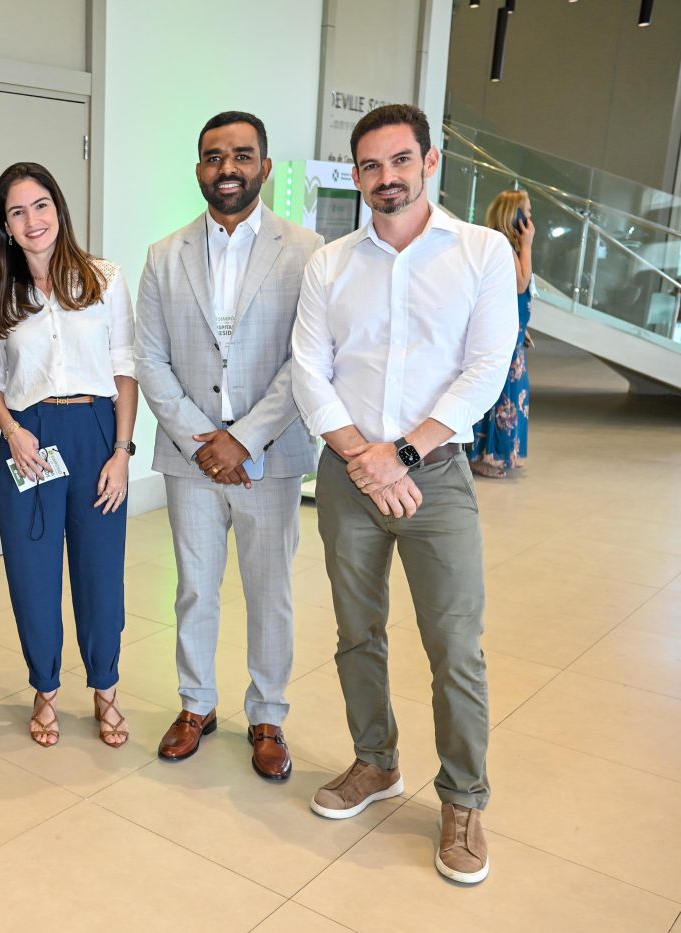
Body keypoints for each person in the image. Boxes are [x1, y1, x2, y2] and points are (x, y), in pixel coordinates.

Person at [290, 104, 517, 884]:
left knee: (455, 645)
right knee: (358, 633)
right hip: (350, 474)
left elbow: (486, 367)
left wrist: (405, 452)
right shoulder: (330, 263)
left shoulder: (481, 252)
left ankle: (463, 798)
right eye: (370, 166)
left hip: (437, 476)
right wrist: (361, 456)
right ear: (356, 175)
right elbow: (308, 368)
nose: (385, 178)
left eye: (399, 161)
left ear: (430, 160)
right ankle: (375, 761)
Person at [135, 112, 321, 776]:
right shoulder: (164, 255)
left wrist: (242, 441)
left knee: (270, 590)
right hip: (190, 465)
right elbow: (150, 361)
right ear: (198, 170)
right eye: (214, 157)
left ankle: (268, 714)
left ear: (266, 167)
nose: (228, 168)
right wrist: (202, 442)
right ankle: (197, 704)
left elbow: (306, 360)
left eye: (243, 156)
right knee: (194, 589)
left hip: (271, 460)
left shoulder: (307, 250)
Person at [0, 162, 138, 748]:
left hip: (97, 435)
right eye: (17, 211)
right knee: (31, 574)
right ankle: (45, 689)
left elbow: (125, 369)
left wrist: (121, 452)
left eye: (40, 205)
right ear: (6, 226)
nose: (32, 220)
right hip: (28, 439)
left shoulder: (105, 278)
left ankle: (105, 689)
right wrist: (13, 432)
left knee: (101, 574)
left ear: (59, 210)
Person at [468, 189, 533, 478]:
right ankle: (485, 456)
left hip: (514, 334)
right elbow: (521, 284)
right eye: (527, 212)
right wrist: (527, 245)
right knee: (501, 396)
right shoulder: (504, 247)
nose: (531, 218)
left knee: (511, 394)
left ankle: (500, 454)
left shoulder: (503, 247)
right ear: (516, 217)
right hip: (503, 337)